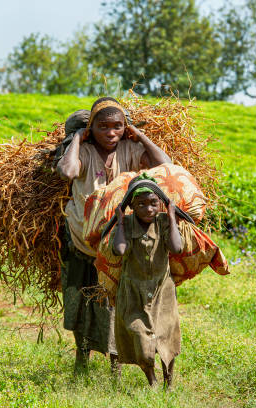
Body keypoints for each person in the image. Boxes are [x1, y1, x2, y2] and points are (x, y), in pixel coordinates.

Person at [56, 97, 171, 372]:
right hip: (82, 242)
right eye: (103, 127)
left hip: (118, 243)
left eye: (118, 127)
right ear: (91, 128)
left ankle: (115, 365)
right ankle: (81, 359)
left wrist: (139, 135)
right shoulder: (83, 151)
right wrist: (76, 139)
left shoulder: (131, 149)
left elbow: (166, 165)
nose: (110, 133)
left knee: (116, 306)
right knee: (80, 300)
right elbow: (67, 171)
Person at [111, 174, 183, 387]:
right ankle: (152, 380)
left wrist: (171, 216)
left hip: (163, 291)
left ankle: (168, 384)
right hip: (134, 293)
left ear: (160, 204)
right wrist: (120, 221)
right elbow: (119, 249)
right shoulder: (127, 223)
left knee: (166, 336)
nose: (149, 209)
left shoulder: (163, 222)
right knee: (140, 337)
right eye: (141, 204)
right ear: (131, 206)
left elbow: (176, 248)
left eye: (154, 203)